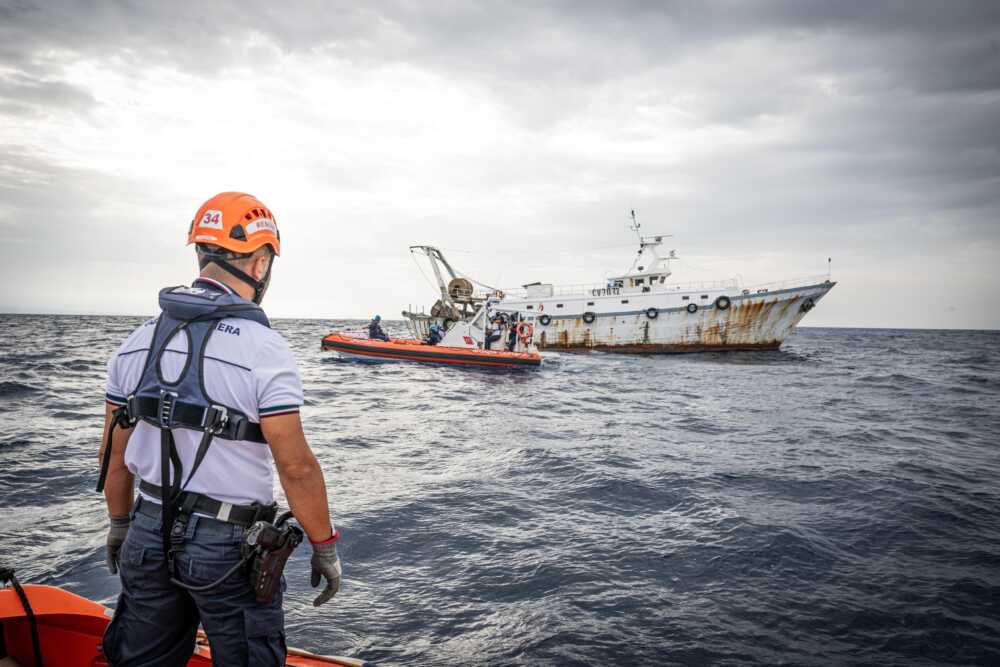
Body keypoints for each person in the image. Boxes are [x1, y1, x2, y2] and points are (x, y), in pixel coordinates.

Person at [97, 192, 342, 666]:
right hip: (228, 546)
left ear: (200, 254)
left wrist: (120, 524)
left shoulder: (135, 342)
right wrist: (324, 546)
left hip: (147, 529)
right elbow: (296, 467)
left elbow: (113, 455)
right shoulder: (264, 349)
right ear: (260, 263)